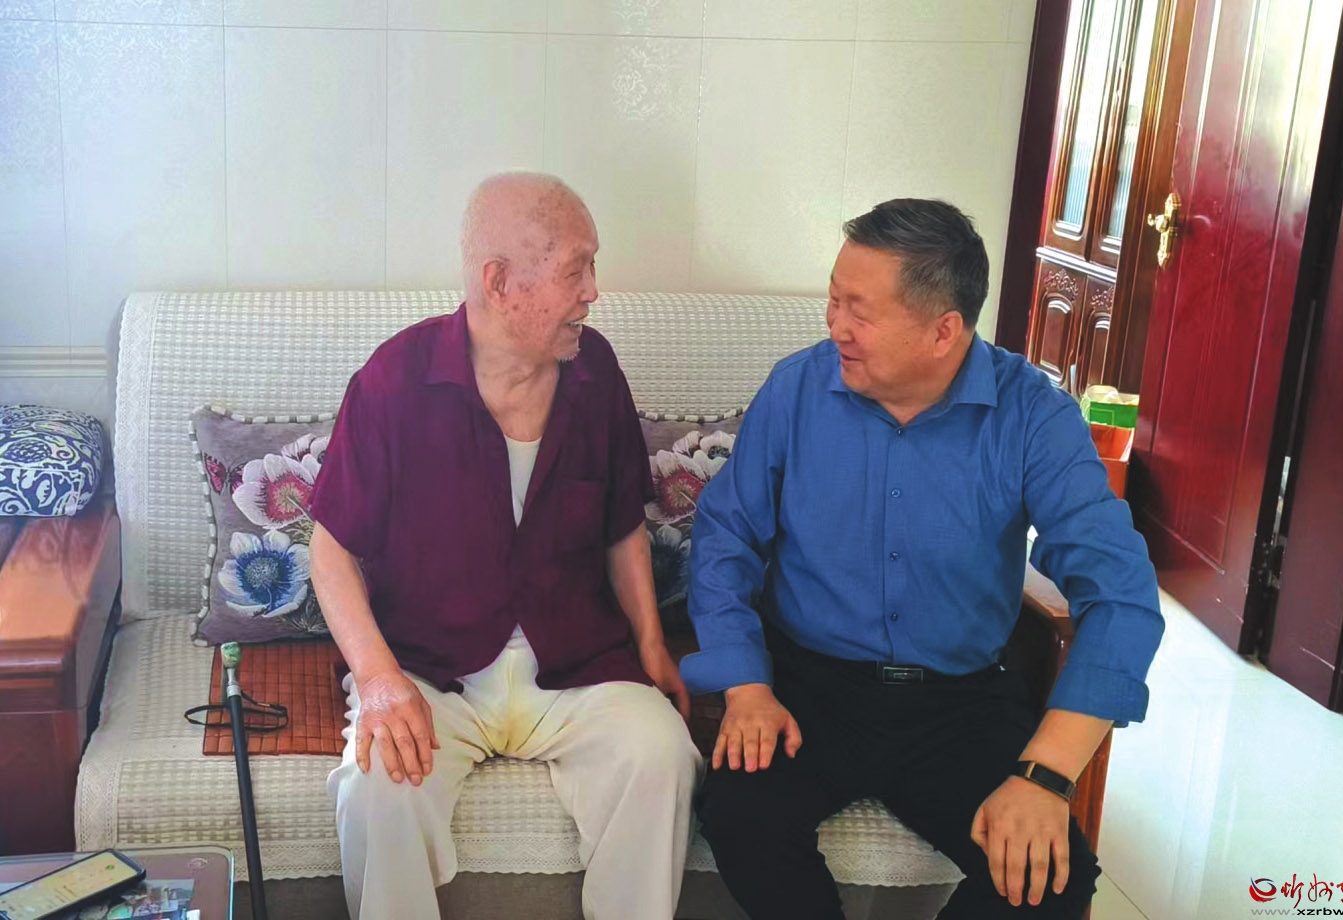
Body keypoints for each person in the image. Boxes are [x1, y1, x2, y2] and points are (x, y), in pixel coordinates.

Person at [680, 198, 1164, 919]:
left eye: (860, 311)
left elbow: (1121, 594)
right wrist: (747, 686)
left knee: (1051, 884)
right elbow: (725, 537)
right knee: (741, 816)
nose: (835, 326)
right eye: (834, 299)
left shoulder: (1033, 415)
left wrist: (1045, 776)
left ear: (944, 330)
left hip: (960, 701)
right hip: (809, 686)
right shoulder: (796, 390)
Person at [309, 172, 700, 920]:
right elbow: (331, 553)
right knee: (377, 786)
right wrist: (379, 679)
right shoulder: (396, 380)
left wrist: (652, 645)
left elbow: (622, 526)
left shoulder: (595, 370)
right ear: (498, 281)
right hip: (430, 669)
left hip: (576, 664)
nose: (593, 292)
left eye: (593, 267)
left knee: (662, 756)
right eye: (575, 270)